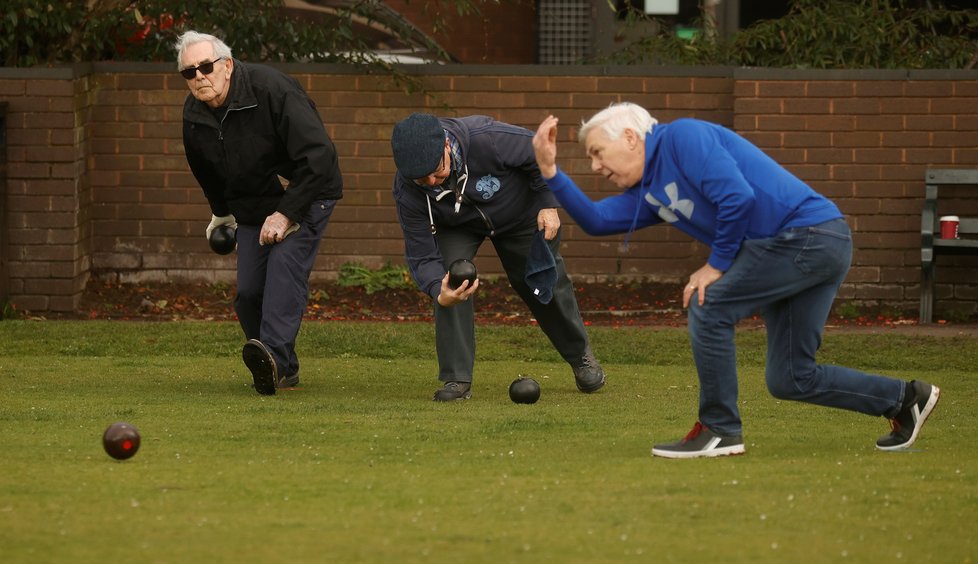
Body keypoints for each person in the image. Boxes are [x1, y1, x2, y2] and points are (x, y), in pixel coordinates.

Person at [531, 102, 940, 458]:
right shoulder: (649, 188)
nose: (595, 166)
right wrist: (549, 170)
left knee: (709, 303)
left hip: (808, 237)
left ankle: (718, 430)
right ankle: (904, 400)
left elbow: (736, 197)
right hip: (809, 244)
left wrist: (716, 265)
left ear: (631, 138)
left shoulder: (682, 138)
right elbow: (597, 220)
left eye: (598, 153)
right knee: (791, 378)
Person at [390, 113, 605, 401]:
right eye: (421, 178)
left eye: (435, 170)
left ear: (444, 145)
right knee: (451, 281)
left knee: (542, 280)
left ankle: (581, 357)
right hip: (457, 225)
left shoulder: (487, 139)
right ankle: (456, 379)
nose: (430, 181)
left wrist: (547, 203)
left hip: (519, 215)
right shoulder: (407, 190)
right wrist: (435, 290)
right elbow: (420, 252)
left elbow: (538, 153)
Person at [177, 31, 343, 395]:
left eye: (206, 67)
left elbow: (319, 156)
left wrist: (286, 213)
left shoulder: (272, 89)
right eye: (189, 72)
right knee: (249, 293)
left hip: (310, 188)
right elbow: (207, 170)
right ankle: (274, 363)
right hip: (256, 200)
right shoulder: (195, 114)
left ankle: (276, 361)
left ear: (227, 65)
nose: (199, 77)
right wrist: (221, 215)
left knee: (284, 270)